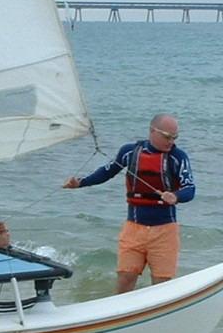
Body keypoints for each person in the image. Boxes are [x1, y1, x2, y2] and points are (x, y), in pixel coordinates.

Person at [63, 113, 195, 294]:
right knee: (125, 278)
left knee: (162, 285)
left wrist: (176, 196)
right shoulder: (129, 152)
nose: (171, 141)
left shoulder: (178, 157)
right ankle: (118, 314)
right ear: (152, 131)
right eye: (167, 137)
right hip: (134, 228)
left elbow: (190, 188)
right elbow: (106, 172)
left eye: (175, 137)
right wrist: (80, 183)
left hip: (165, 231)